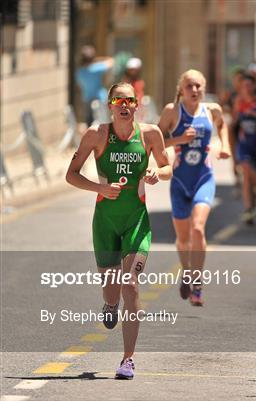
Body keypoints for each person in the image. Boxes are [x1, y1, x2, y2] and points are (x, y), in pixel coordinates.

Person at [65, 82, 172, 379]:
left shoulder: (150, 134)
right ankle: (109, 305)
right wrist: (99, 187)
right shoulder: (96, 135)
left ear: (137, 105)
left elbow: (167, 167)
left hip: (136, 220)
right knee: (112, 291)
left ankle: (128, 359)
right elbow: (70, 175)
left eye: (129, 100)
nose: (124, 105)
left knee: (132, 286)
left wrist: (155, 173)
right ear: (110, 105)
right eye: (118, 100)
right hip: (105, 223)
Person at [158, 69, 231, 306]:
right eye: (190, 86)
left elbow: (222, 126)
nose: (195, 90)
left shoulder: (212, 110)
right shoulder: (172, 111)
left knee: (198, 229)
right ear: (181, 89)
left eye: (199, 86)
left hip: (203, 177)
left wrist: (224, 145)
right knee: (182, 238)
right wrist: (178, 140)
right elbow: (154, 140)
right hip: (179, 180)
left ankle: (197, 283)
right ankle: (187, 271)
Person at [232, 74, 256, 224]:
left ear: (254, 86)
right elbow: (234, 125)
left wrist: (255, 114)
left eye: (250, 85)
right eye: (244, 86)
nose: (247, 89)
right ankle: (248, 209)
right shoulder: (238, 101)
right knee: (247, 172)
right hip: (244, 145)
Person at [76, 45, 114, 127]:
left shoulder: (80, 72)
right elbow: (111, 61)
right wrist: (97, 59)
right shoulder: (96, 68)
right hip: (100, 99)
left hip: (86, 99)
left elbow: (79, 86)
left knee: (89, 125)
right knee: (103, 123)